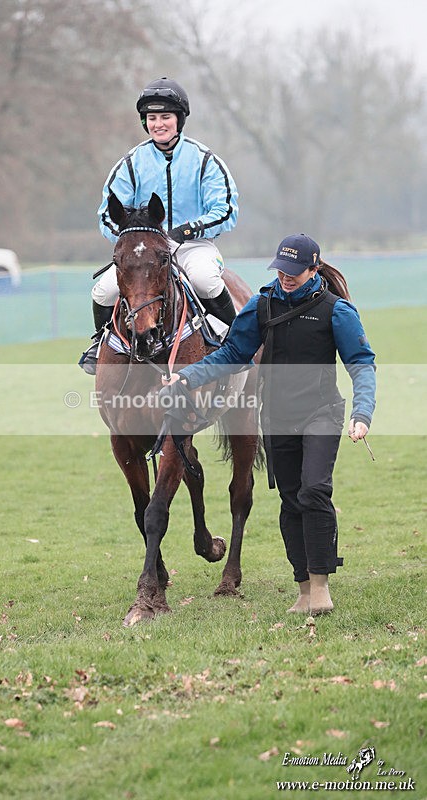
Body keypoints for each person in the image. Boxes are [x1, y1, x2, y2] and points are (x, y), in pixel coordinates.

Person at [161, 233, 376, 615]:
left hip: (322, 412)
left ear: (314, 268)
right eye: (281, 269)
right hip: (277, 415)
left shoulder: (336, 311)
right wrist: (188, 376)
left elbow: (361, 363)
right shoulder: (261, 305)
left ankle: (321, 585)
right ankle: (303, 588)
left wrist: (362, 413)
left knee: (314, 492)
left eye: (294, 271)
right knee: (291, 499)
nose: (286, 277)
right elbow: (232, 352)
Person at [80, 77, 239, 374]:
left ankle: (236, 341)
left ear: (179, 119)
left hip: (193, 245)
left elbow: (226, 208)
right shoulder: (130, 163)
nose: (158, 124)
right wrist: (132, 237)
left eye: (165, 117)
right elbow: (106, 213)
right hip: (145, 250)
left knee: (204, 279)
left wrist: (187, 230)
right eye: (152, 118)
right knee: (102, 292)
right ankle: (100, 344)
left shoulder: (204, 160)